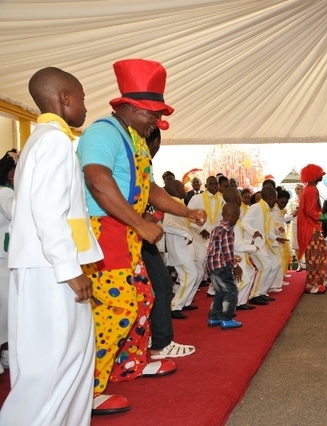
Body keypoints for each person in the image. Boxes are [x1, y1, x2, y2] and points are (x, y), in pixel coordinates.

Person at [77, 59, 206, 414]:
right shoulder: (102, 133)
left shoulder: (133, 138)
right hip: (106, 232)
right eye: (152, 113)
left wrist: (185, 210)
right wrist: (139, 223)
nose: (156, 121)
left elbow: (147, 189)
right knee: (116, 309)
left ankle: (127, 365)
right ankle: (88, 389)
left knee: (144, 300)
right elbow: (97, 180)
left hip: (126, 233)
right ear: (132, 107)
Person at [0, 67, 103, 425]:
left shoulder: (41, 138)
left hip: (44, 266)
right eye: (84, 99)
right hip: (51, 270)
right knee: (54, 367)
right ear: (65, 99)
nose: (87, 107)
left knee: (64, 362)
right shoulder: (55, 141)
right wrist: (70, 269)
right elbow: (48, 210)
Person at [142, 129, 195, 358]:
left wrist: (188, 212)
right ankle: (156, 344)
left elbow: (153, 192)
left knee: (161, 283)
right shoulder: (137, 154)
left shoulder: (142, 159)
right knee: (159, 284)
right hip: (131, 230)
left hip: (139, 229)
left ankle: (156, 342)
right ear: (152, 140)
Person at [163, 180, 199, 320]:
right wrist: (187, 234)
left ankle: (185, 302)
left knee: (196, 274)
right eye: (183, 187)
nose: (185, 189)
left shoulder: (177, 202)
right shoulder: (172, 203)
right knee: (190, 275)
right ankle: (174, 306)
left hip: (185, 248)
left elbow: (182, 224)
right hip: (179, 248)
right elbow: (167, 225)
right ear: (177, 189)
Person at [242, 185, 283, 303]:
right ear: (271, 197)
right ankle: (254, 295)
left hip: (262, 245)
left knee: (274, 265)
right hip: (253, 244)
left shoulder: (266, 210)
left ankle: (262, 292)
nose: (276, 201)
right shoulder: (256, 207)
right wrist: (253, 231)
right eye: (275, 198)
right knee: (265, 266)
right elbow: (244, 223)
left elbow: (266, 231)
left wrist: (276, 238)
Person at [206, 202, 243, 330]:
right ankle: (226, 318)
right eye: (229, 215)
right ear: (223, 215)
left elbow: (212, 249)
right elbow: (226, 252)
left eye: (235, 216)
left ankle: (213, 317)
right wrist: (235, 265)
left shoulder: (217, 229)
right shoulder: (227, 231)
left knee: (220, 292)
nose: (232, 218)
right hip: (221, 267)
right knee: (231, 291)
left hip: (212, 266)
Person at [188, 175, 224, 299]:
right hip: (200, 238)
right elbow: (189, 215)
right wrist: (200, 229)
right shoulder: (196, 198)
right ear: (206, 185)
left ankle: (213, 289)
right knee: (199, 268)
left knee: (216, 265)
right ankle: (188, 295)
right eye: (211, 184)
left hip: (215, 238)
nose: (214, 186)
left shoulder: (221, 199)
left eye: (216, 184)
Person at [298, 164, 327, 294]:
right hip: (311, 228)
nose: (322, 176)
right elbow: (310, 210)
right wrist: (322, 216)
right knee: (315, 256)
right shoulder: (311, 189)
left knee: (321, 253)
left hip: (312, 227)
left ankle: (320, 281)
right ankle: (312, 284)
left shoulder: (309, 189)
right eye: (320, 174)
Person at [0, 150, 17, 374]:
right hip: (3, 261)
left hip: (8, 260)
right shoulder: (4, 193)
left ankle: (7, 353)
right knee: (5, 312)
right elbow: (17, 211)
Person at [290, 183, 304, 271]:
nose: (296, 190)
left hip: (304, 224)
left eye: (298, 188)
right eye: (295, 189)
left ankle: (306, 262)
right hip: (295, 223)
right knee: (296, 245)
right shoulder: (292, 202)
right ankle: (299, 264)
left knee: (304, 243)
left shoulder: (306, 200)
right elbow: (288, 213)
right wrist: (294, 212)